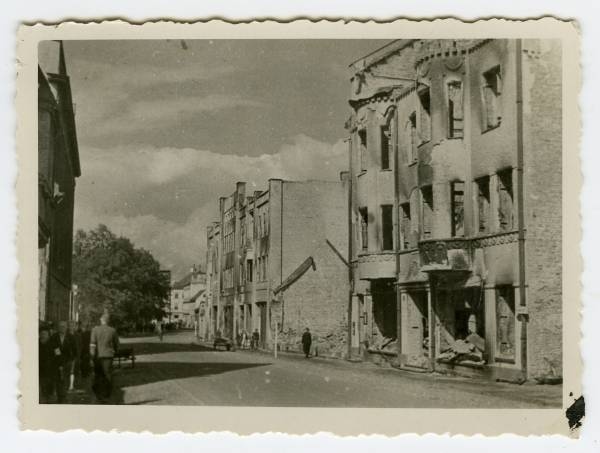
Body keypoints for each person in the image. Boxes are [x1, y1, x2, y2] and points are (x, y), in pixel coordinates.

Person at [90, 313, 120, 404]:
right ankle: (107, 394)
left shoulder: (95, 330)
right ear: (108, 321)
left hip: (97, 356)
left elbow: (92, 345)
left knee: (98, 375)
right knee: (108, 375)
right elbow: (117, 345)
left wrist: (92, 356)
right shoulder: (112, 330)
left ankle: (99, 394)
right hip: (108, 356)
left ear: (101, 320)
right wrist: (114, 352)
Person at [50, 320, 77, 403]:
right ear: (58, 327)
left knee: (65, 379)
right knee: (58, 379)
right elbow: (52, 348)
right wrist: (57, 356)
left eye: (64, 326)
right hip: (56, 361)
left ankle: (64, 395)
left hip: (67, 362)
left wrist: (72, 360)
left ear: (66, 327)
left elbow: (75, 350)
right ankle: (60, 396)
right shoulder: (54, 337)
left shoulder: (71, 337)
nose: (62, 328)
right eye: (60, 326)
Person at [39, 324, 58, 403]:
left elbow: (58, 356)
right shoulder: (36, 344)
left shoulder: (54, 344)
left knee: (50, 390)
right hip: (40, 371)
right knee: (42, 390)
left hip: (51, 371)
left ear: (48, 335)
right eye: (42, 334)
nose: (43, 336)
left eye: (45, 334)